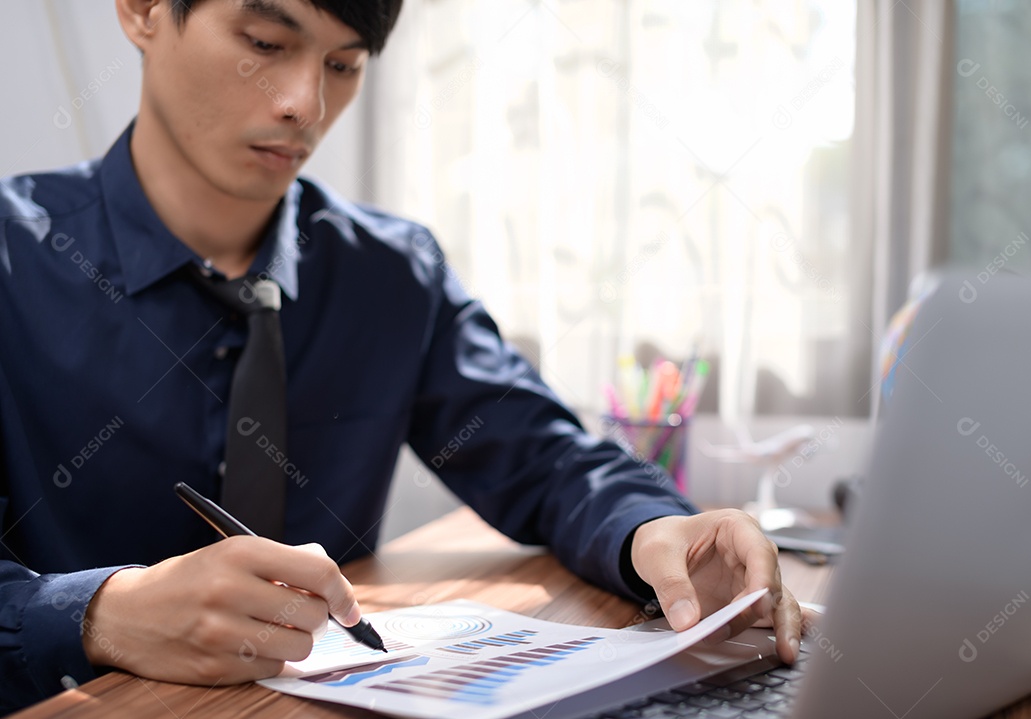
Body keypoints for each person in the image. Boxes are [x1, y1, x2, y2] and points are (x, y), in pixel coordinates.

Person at [0, 0, 804, 712]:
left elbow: (546, 457)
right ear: (141, 10)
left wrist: (656, 529)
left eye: (344, 65)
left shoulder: (390, 272)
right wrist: (99, 613)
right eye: (265, 42)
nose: (304, 105)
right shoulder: (13, 258)